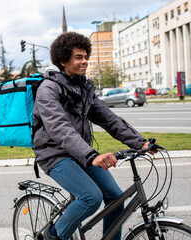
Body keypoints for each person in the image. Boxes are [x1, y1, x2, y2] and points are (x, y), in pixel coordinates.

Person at [33, 32, 153, 240]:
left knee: (116, 197)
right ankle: (51, 236)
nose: (85, 61)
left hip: (81, 153)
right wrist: (90, 155)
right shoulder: (48, 89)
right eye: (78, 57)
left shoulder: (84, 87)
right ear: (63, 61)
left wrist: (141, 142)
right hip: (55, 154)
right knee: (91, 198)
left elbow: (109, 118)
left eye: (86, 56)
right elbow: (59, 127)